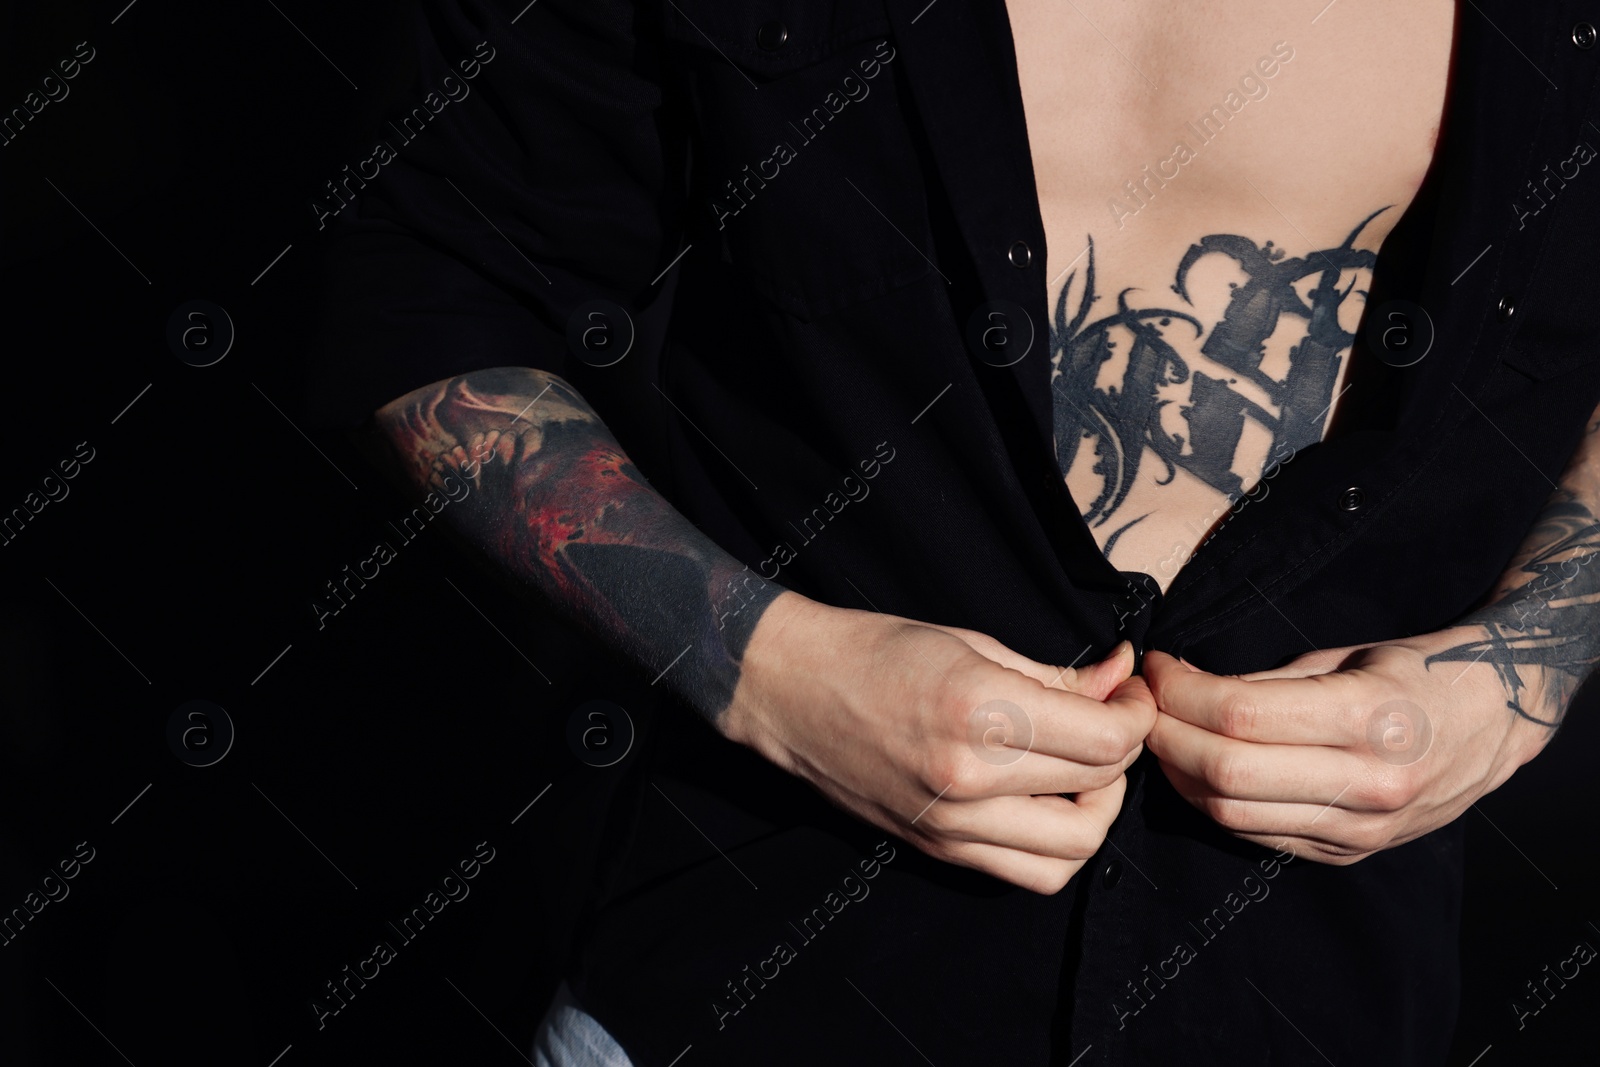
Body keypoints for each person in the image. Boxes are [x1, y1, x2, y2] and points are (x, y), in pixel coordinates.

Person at [306, 0, 1600, 1062]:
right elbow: (426, 284)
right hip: (755, 979)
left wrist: (1520, 676)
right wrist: (765, 671)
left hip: (1321, 999)